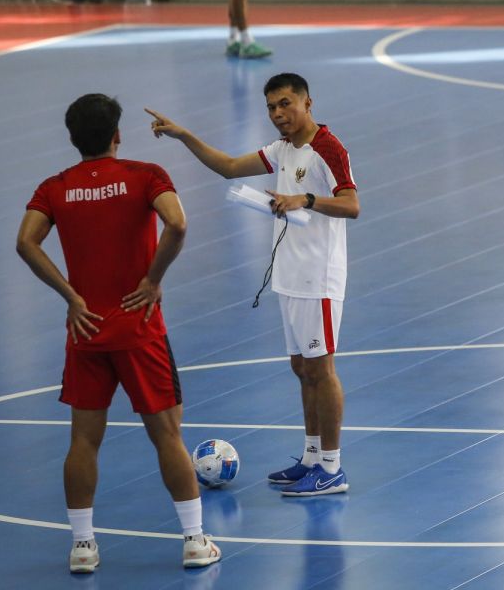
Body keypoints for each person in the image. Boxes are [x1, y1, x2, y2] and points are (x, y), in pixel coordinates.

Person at [16, 94, 221, 573]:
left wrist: (70, 296)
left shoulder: (54, 188)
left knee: (83, 442)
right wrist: (153, 280)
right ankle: (194, 539)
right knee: (167, 434)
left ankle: (83, 546)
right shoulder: (146, 176)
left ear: (72, 139)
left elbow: (25, 242)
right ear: (117, 135)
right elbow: (177, 223)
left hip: (86, 330)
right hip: (140, 328)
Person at [146, 73, 357, 495]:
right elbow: (227, 166)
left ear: (307, 102)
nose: (278, 114)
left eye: (285, 104)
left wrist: (306, 200)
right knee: (302, 369)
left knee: (322, 369)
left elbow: (352, 204)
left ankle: (332, 468)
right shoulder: (281, 150)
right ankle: (312, 457)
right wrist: (185, 135)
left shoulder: (327, 148)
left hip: (318, 276)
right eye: (271, 108)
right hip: (290, 273)